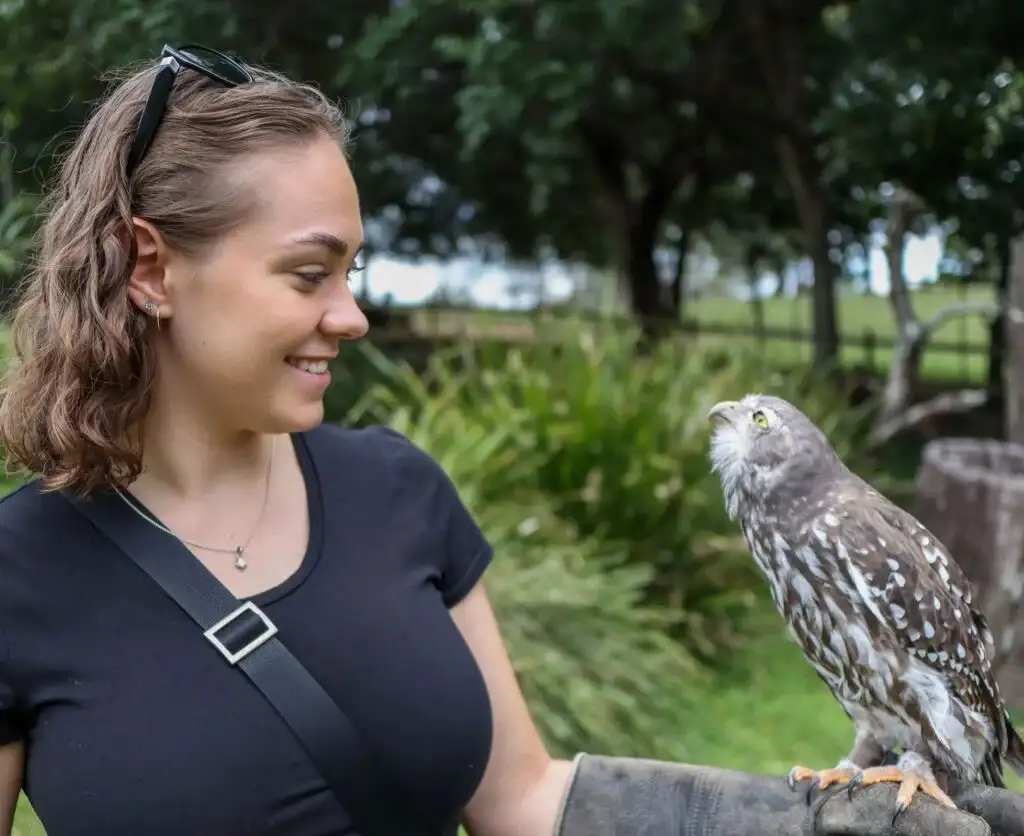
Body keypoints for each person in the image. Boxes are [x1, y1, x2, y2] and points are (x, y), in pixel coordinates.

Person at [0, 43, 1016, 836]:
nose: (352, 315)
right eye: (310, 275)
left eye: (355, 271)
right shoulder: (19, 573)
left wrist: (798, 821)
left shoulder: (396, 491)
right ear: (149, 268)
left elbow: (523, 801)